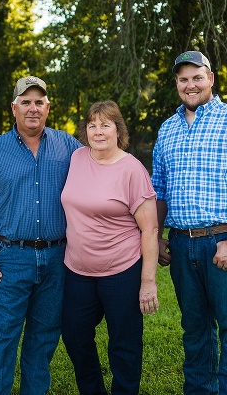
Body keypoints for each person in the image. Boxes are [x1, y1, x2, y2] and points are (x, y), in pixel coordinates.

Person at [152, 51, 227, 395]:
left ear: (211, 79)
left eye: (196, 77)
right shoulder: (168, 129)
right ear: (176, 83)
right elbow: (158, 188)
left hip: (224, 241)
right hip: (181, 243)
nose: (190, 85)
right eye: (183, 79)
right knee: (194, 330)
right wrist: (159, 237)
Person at [0, 75, 82, 395]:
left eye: (39, 102)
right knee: (2, 335)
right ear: (14, 107)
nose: (32, 108)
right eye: (26, 102)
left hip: (58, 256)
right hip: (10, 257)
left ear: (47, 107)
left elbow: (99, 179)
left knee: (44, 335)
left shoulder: (70, 146)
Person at [60, 100, 160, 395]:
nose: (98, 131)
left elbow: (150, 228)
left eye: (105, 125)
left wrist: (148, 281)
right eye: (92, 125)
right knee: (75, 334)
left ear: (118, 130)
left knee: (124, 343)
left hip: (122, 270)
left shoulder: (132, 170)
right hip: (77, 270)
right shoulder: (77, 158)